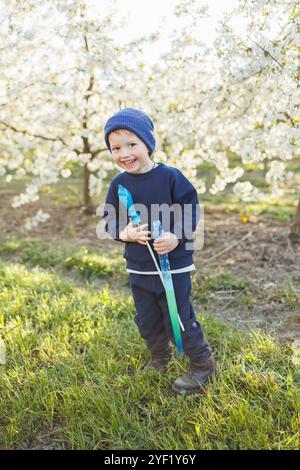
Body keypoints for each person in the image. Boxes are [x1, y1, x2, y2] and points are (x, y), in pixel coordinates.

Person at [102, 107, 216, 395]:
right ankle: (159, 355)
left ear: (147, 144)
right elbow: (110, 220)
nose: (124, 153)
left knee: (177, 315)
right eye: (116, 147)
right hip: (139, 266)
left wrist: (176, 235)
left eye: (132, 144)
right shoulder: (119, 185)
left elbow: (191, 208)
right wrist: (124, 233)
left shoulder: (169, 177)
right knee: (147, 317)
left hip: (173, 266)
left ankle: (202, 363)